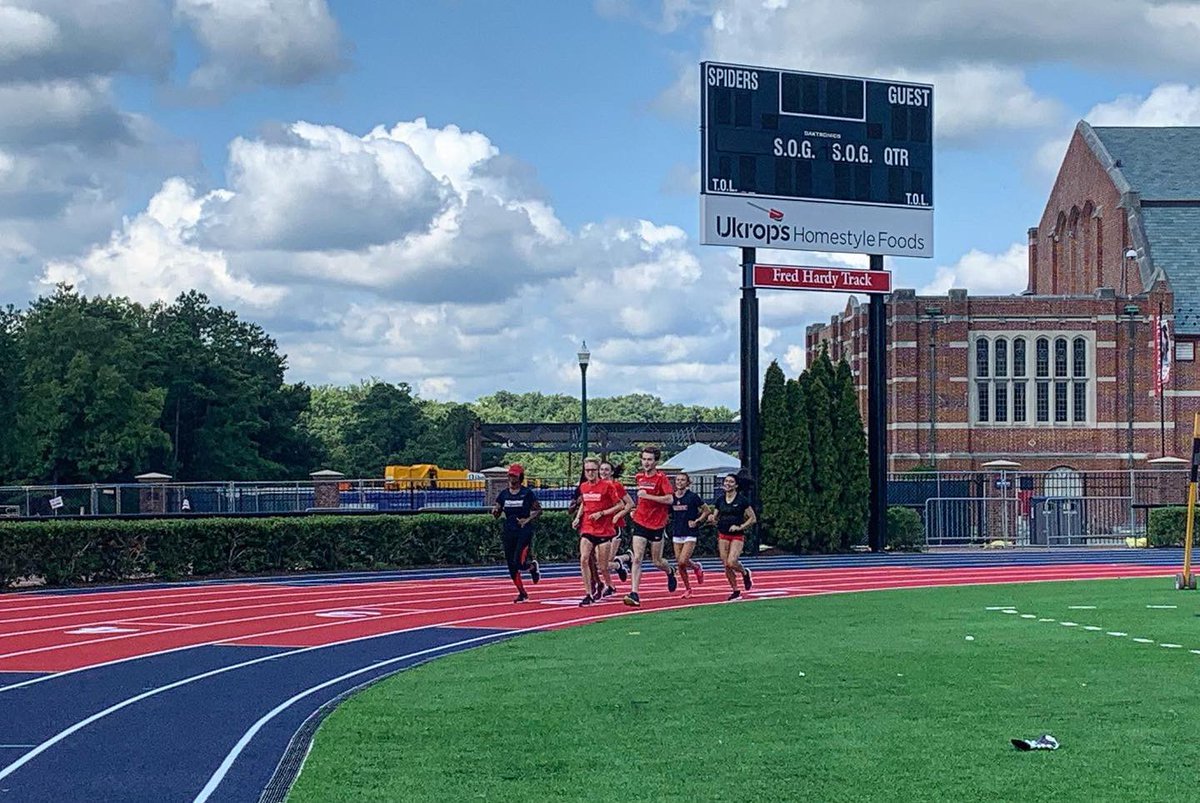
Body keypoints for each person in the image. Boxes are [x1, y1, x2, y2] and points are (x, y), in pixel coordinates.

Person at [623, 446, 677, 608]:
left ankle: (670, 571)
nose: (646, 462)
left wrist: (649, 497)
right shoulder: (639, 477)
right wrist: (634, 509)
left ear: (656, 462)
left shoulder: (661, 478)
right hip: (640, 521)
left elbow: (670, 499)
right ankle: (634, 593)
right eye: (644, 459)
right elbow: (641, 499)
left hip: (657, 524)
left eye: (650, 460)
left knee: (657, 561)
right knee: (637, 557)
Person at [572, 457, 627, 606]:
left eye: (593, 470)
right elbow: (585, 503)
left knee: (603, 566)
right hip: (587, 528)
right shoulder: (583, 486)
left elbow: (620, 505)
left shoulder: (608, 486)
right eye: (587, 470)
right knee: (584, 559)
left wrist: (602, 513)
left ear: (597, 471)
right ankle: (588, 594)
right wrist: (578, 518)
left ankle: (610, 583)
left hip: (604, 530)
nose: (590, 473)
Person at [491, 463, 542, 602]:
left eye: (514, 475)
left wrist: (527, 519)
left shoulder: (527, 493)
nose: (511, 478)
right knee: (511, 565)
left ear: (520, 477)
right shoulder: (503, 494)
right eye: (510, 475)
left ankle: (532, 567)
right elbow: (497, 511)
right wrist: (495, 511)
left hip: (523, 531)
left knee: (519, 561)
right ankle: (522, 593)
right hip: (509, 531)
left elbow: (538, 510)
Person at [705, 472, 756, 600]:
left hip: (737, 535)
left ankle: (745, 572)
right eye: (726, 481)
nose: (727, 483)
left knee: (732, 561)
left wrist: (740, 527)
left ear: (736, 485)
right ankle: (735, 590)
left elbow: (752, 518)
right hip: (723, 534)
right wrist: (711, 518)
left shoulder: (742, 500)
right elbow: (715, 517)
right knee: (726, 565)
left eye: (731, 482)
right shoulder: (720, 500)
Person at [668, 472, 708, 598]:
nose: (680, 482)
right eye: (678, 480)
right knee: (680, 564)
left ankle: (696, 567)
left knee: (682, 561)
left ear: (687, 482)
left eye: (682, 480)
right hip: (677, 532)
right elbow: (667, 513)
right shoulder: (672, 498)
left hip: (690, 532)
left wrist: (697, 521)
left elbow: (706, 510)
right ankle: (688, 588)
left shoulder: (693, 497)